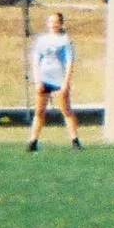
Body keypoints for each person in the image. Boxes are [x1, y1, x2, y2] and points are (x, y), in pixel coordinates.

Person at [26, 12, 81, 151]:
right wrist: (37, 80)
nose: (53, 24)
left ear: (61, 24)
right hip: (44, 78)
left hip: (58, 79)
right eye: (51, 21)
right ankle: (33, 141)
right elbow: (36, 61)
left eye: (56, 22)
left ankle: (75, 140)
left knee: (66, 110)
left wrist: (66, 82)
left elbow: (69, 62)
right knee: (39, 111)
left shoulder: (65, 40)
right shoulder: (41, 40)